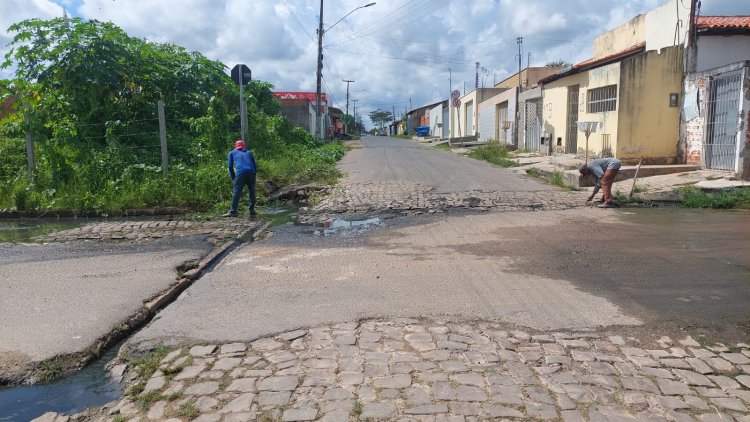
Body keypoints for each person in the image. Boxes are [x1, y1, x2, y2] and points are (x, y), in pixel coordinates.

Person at [224, 140, 257, 217]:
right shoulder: (249, 152)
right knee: (252, 191)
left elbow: (230, 166)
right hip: (251, 172)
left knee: (237, 192)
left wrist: (233, 178)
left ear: (236, 146)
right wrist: (254, 174)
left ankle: (233, 211)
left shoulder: (232, 153)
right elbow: (254, 165)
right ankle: (251, 210)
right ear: (244, 146)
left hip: (240, 173)